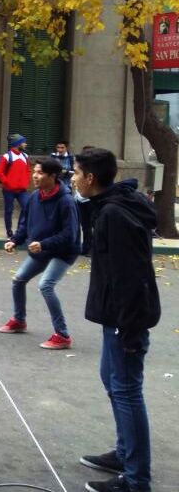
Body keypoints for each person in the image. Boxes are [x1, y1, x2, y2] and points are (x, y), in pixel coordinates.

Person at [73, 148, 160, 492]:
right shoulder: (108, 207)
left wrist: (130, 328)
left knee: (126, 391)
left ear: (91, 178)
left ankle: (137, 480)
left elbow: (129, 275)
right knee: (113, 382)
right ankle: (125, 453)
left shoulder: (114, 214)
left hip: (127, 319)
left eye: (76, 173)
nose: (73, 178)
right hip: (118, 316)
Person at [0, 158, 79, 350]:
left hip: (63, 252)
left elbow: (70, 235)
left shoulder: (66, 201)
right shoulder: (35, 197)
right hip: (40, 249)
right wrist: (15, 240)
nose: (35, 176)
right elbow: (25, 223)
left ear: (52, 176)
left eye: (40, 173)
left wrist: (43, 244)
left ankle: (63, 335)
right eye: (34, 171)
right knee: (18, 280)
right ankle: (19, 320)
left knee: (46, 285)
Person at [0, 133, 30, 238]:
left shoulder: (25, 156)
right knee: (9, 210)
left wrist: (26, 181)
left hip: (22, 190)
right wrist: (7, 182)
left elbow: (28, 170)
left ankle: (20, 229)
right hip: (8, 190)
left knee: (26, 207)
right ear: (18, 143)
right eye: (23, 142)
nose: (25, 144)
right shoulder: (7, 156)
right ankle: (9, 231)